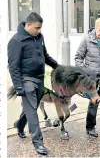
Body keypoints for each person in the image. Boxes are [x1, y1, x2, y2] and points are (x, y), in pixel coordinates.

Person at [8, 12, 59, 155]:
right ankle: (38, 143)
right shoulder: (16, 41)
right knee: (32, 112)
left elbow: (45, 56)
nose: (39, 31)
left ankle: (19, 125)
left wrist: (58, 67)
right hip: (26, 81)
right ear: (28, 25)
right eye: (37, 28)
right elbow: (13, 66)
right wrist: (18, 87)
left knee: (31, 109)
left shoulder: (39, 37)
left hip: (39, 79)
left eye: (40, 28)